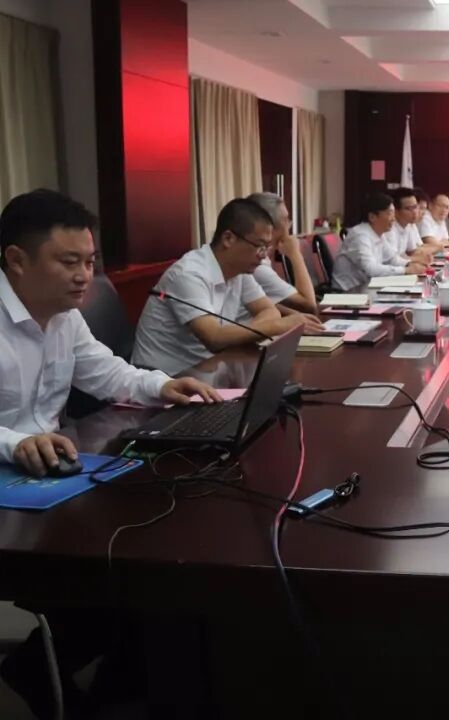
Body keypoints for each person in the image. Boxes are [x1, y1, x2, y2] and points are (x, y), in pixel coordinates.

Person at [0, 189, 220, 717]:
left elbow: (107, 372)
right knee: (116, 579)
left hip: (50, 475)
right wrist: (15, 441)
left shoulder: (64, 316)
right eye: (68, 262)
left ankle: (122, 682)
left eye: (90, 261)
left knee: (153, 539)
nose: (84, 276)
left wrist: (162, 385)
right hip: (12, 484)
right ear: (17, 260)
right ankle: (42, 668)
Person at [131, 198, 321, 375]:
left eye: (267, 247)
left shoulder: (240, 270)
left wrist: (258, 328)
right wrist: (279, 326)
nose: (264, 255)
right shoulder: (189, 274)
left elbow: (269, 311)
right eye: (259, 246)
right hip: (166, 378)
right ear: (228, 238)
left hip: (211, 369)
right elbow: (214, 338)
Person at [244, 192, 319, 318]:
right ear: (270, 226)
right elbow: (309, 306)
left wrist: (297, 317)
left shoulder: (261, 256)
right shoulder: (256, 266)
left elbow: (269, 303)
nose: (289, 224)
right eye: (286, 219)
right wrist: (295, 254)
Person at [333, 193, 426, 290]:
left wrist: (410, 264)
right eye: (389, 213)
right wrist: (405, 270)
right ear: (372, 217)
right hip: (348, 292)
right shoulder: (360, 236)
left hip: (367, 287)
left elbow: (392, 259)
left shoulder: (378, 234)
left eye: (393, 213)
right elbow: (370, 269)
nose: (394, 219)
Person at [388, 187, 436, 264]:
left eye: (415, 207)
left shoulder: (409, 225)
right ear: (396, 211)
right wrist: (417, 258)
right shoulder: (389, 228)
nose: (415, 212)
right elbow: (392, 261)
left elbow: (415, 250)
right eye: (409, 208)